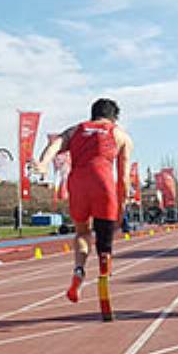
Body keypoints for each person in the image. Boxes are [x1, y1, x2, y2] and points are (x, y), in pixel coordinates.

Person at [33, 98, 131, 321]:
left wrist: (43, 164)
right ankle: (104, 265)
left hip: (78, 183)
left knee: (82, 232)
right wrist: (122, 202)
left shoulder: (76, 130)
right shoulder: (120, 134)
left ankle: (79, 270)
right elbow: (124, 177)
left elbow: (55, 146)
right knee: (104, 240)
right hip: (103, 182)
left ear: (93, 114)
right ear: (113, 117)